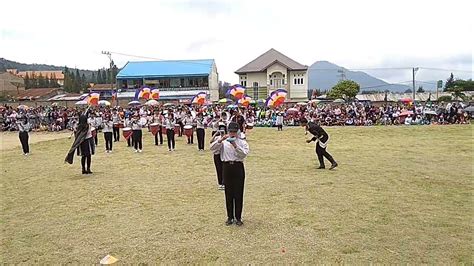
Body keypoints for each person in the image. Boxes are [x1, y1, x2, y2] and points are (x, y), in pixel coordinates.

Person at [210, 122, 250, 226]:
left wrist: (235, 146)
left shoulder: (242, 142)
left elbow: (243, 154)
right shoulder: (224, 142)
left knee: (238, 193)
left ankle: (238, 217)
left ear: (237, 132)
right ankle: (230, 217)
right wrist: (220, 140)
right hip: (227, 167)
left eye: (234, 132)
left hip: (238, 167)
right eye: (230, 131)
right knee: (228, 193)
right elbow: (213, 149)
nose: (232, 134)